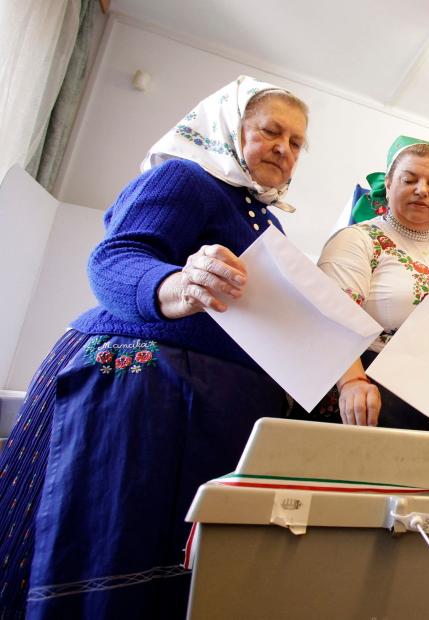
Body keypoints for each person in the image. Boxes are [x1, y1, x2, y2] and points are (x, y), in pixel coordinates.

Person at [0, 75, 309, 619]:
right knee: (94, 553)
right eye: (271, 132)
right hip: (135, 393)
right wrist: (176, 286)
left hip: (203, 411)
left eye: (296, 143)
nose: (283, 149)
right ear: (230, 127)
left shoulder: (266, 219)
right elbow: (115, 259)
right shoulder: (187, 178)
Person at [301, 135, 429, 430]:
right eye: (410, 180)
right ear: (388, 183)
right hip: (362, 393)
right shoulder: (359, 239)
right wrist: (352, 383)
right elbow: (330, 314)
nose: (422, 191)